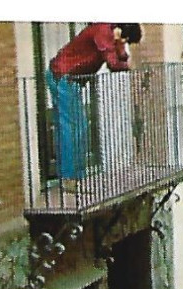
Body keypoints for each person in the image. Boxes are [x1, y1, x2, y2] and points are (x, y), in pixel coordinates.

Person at [46, 24, 142, 184]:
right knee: (72, 128)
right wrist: (127, 64)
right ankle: (68, 177)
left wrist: (121, 48)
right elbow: (114, 64)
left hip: (72, 81)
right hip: (62, 76)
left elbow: (122, 57)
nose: (123, 42)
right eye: (124, 38)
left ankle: (77, 175)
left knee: (79, 128)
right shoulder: (102, 31)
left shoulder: (113, 36)